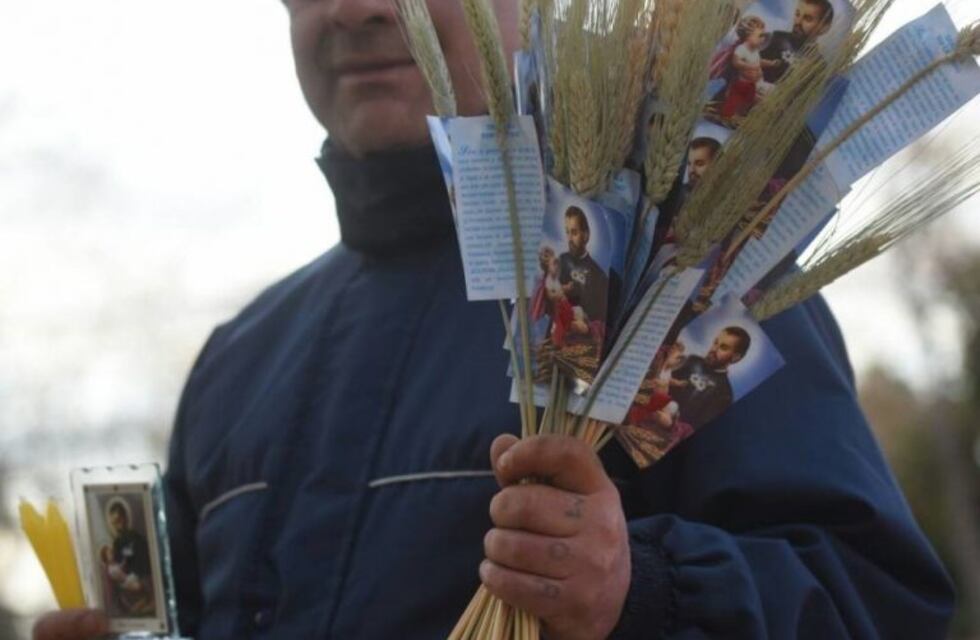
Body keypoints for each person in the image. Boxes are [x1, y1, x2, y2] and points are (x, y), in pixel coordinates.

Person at [34, 0, 953, 638]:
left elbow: (873, 604)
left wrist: (640, 592)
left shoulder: (683, 277)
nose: (352, 11)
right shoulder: (241, 357)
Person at [670, 327, 749, 429]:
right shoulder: (692, 361)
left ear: (736, 357)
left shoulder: (725, 393)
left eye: (723, 347)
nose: (713, 349)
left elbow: (698, 428)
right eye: (715, 342)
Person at [559, 205, 609, 334]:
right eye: (567, 232)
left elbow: (600, 323)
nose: (569, 238)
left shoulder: (600, 277)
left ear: (585, 235)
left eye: (574, 232)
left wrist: (586, 327)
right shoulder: (561, 261)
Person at [99, 499, 154, 617]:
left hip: (142, 574)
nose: (117, 525)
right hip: (127, 579)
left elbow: (144, 557)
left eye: (119, 520)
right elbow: (119, 563)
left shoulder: (136, 537)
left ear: (125, 518)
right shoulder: (116, 543)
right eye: (114, 522)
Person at [761, 0, 835, 83]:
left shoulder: (818, 65)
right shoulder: (776, 38)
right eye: (797, 14)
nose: (798, 22)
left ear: (824, 28)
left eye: (807, 18)